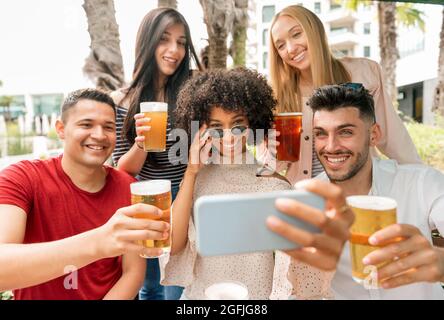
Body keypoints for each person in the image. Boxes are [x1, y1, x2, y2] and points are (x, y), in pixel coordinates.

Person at [160, 67, 353, 300]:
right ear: (202, 129)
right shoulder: (196, 179)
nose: (229, 136)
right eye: (216, 127)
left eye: (238, 124)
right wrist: (190, 173)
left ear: (253, 123)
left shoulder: (273, 184)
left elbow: (299, 270)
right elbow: (174, 245)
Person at [0, 89, 170, 300]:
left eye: (108, 127)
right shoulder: (22, 178)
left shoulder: (128, 187)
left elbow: (133, 273)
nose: (99, 135)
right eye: (86, 124)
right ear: (61, 129)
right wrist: (100, 242)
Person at [308, 84, 444, 299]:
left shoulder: (422, 183)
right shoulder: (309, 201)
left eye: (345, 132)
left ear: (374, 135)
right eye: (321, 134)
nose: (331, 146)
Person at [266, 5, 421, 184]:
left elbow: (394, 139)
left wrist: (424, 182)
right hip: (306, 198)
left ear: (314, 30)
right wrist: (271, 150)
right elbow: (273, 166)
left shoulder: (363, 73)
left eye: (296, 34)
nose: (291, 49)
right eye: (281, 45)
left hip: (359, 193)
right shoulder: (278, 95)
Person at [110, 7, 202, 300]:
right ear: (148, 42)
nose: (174, 50)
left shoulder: (193, 92)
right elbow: (122, 171)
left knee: (176, 286)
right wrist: (141, 144)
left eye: (181, 42)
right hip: (145, 198)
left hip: (185, 196)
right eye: (164, 39)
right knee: (149, 287)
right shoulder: (121, 99)